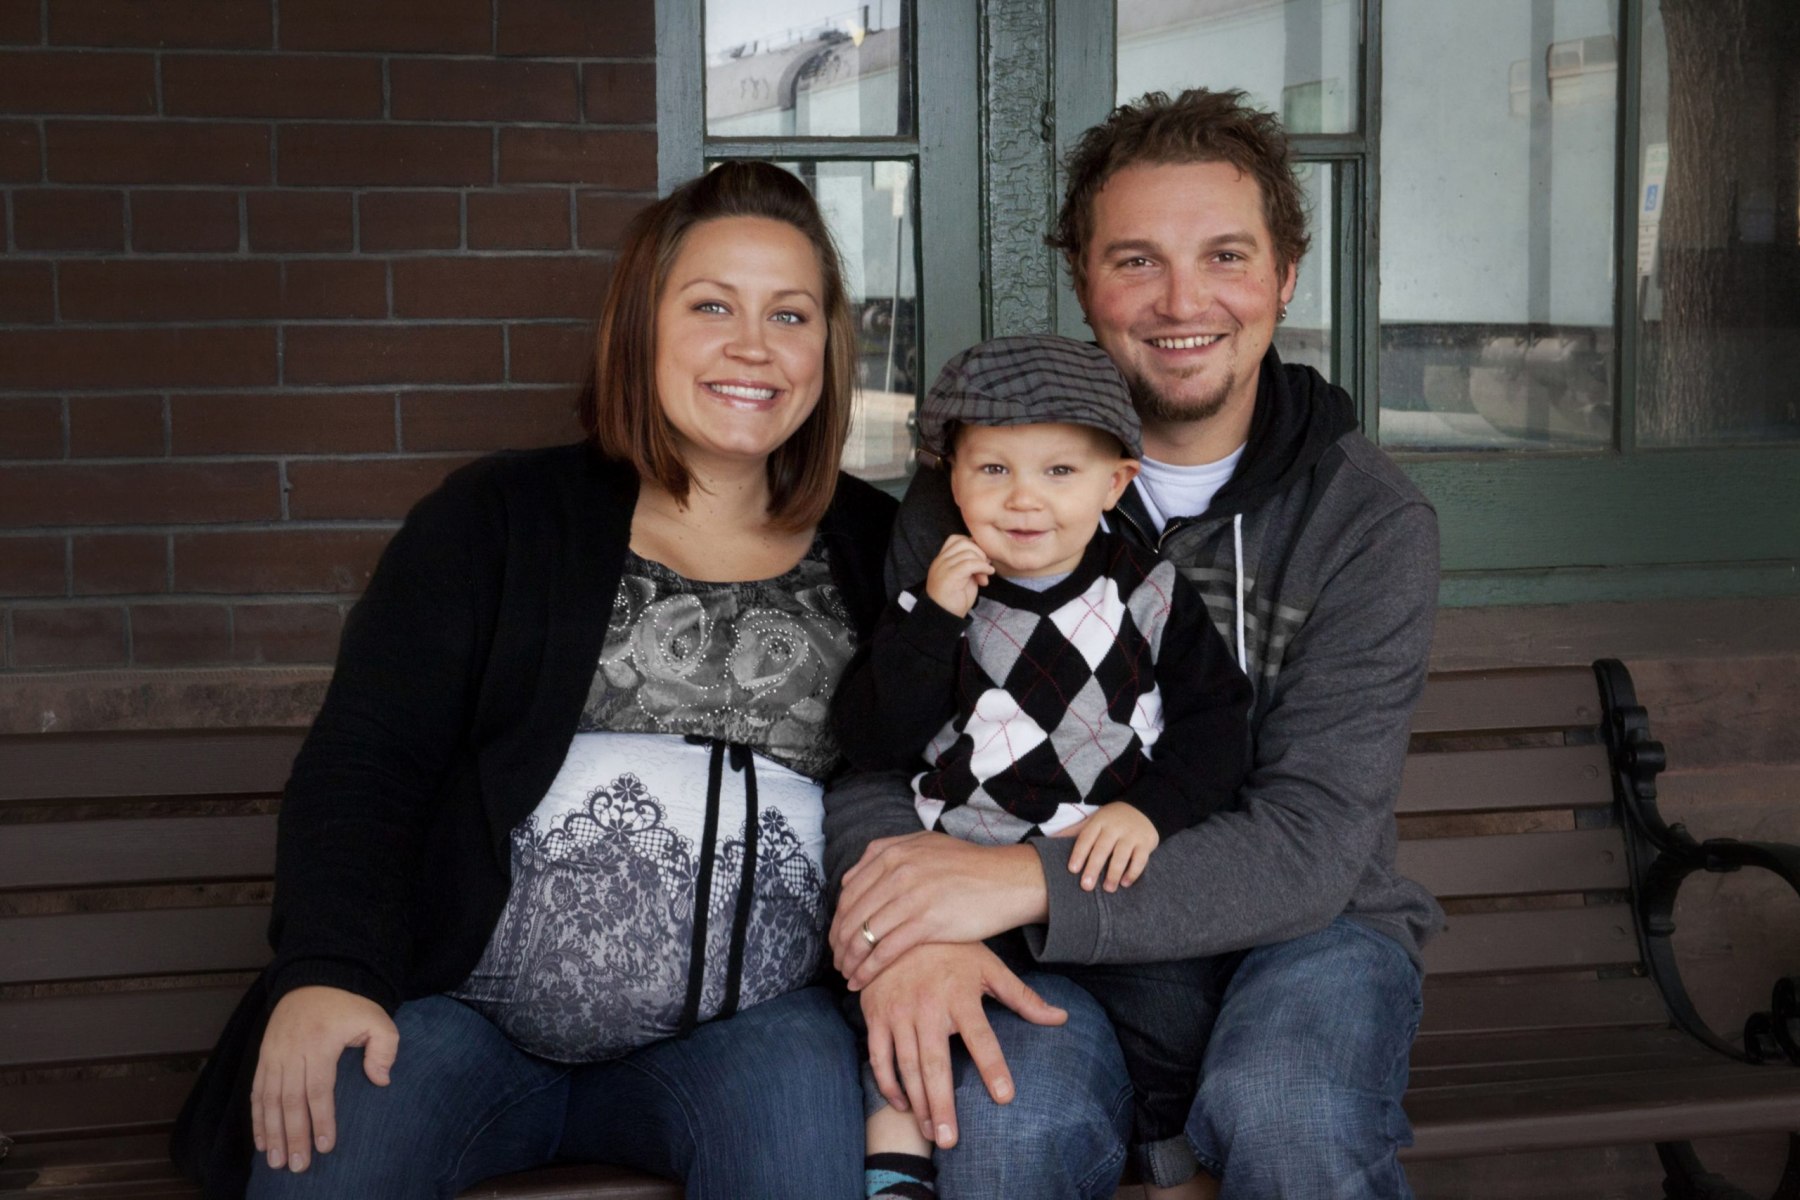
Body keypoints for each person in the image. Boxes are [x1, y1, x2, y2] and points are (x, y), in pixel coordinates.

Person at [169, 160, 898, 1200]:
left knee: (799, 1147)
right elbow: (367, 762)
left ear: (826, 346)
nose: (754, 345)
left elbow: (930, 775)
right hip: (461, 1019)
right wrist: (328, 969)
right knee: (329, 1147)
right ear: (640, 329)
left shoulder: (878, 547)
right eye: (711, 306)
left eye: (790, 314)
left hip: (751, 1037)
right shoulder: (498, 518)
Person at [823, 88, 1444, 1199]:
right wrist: (911, 931)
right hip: (1030, 933)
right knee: (1003, 1131)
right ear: (1082, 279)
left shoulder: (1366, 518)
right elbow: (878, 751)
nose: (1183, 301)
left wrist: (1017, 882)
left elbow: (1311, 842)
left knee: (1288, 1112)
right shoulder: (977, 486)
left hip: (1304, 930)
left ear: (1286, 275)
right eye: (1137, 260)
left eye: (1226, 256)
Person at [832, 334, 1253, 1199]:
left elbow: (1218, 727)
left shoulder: (1149, 593)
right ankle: (896, 1159)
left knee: (1175, 1009)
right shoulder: (939, 595)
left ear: (1116, 482)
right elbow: (870, 739)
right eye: (993, 470)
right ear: (951, 478)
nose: (1024, 499)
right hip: (963, 882)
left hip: (1102, 876)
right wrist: (933, 622)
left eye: (1060, 472)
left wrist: (1150, 812)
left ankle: (1168, 1157)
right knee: (896, 995)